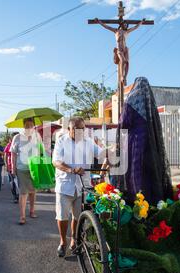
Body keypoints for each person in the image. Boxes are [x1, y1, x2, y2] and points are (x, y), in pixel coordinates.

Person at [52, 117, 107, 257]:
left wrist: (111, 150)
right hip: (65, 185)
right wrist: (71, 170)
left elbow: (101, 154)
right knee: (62, 216)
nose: (81, 132)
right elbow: (56, 162)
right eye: (77, 129)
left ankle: (74, 241)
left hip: (83, 185)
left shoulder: (88, 142)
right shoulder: (61, 141)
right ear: (70, 129)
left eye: (83, 129)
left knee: (78, 216)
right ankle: (63, 242)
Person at [118, 77, 173, 205]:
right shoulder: (151, 105)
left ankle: (138, 205)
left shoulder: (131, 101)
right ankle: (154, 205)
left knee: (135, 175)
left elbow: (124, 123)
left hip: (136, 145)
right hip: (152, 147)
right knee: (151, 176)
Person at [11, 118, 41, 225]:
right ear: (23, 126)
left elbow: (41, 150)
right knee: (23, 192)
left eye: (31, 125)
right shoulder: (17, 137)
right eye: (26, 125)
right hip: (22, 168)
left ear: (34, 125)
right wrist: (13, 167)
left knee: (33, 191)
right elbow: (13, 154)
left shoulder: (37, 136)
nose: (29, 127)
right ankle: (22, 216)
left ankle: (32, 211)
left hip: (35, 168)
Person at [4, 133, 19, 203]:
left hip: (20, 166)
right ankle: (15, 196)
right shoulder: (9, 145)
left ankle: (20, 195)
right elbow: (6, 156)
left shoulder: (21, 145)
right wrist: (6, 165)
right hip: (10, 166)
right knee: (12, 182)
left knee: (20, 182)